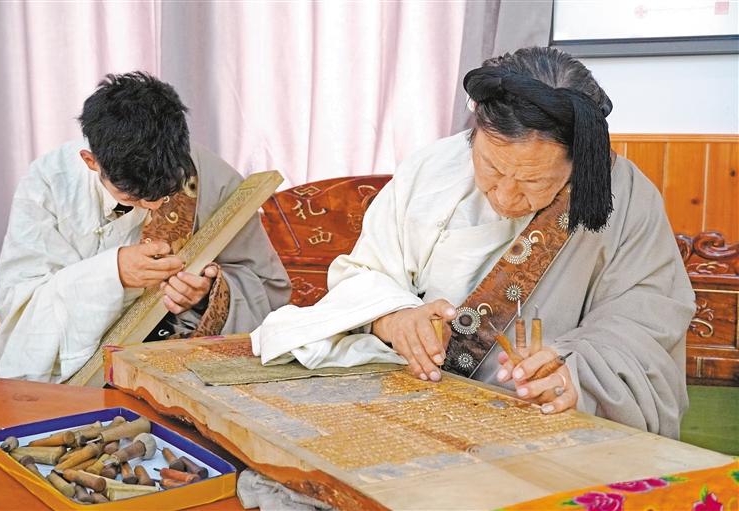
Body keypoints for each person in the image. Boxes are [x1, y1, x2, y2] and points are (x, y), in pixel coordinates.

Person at [252, 47, 693, 439]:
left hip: (541, 419)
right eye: (492, 169)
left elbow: (643, 324)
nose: (505, 196)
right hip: (410, 402)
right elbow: (363, 275)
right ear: (476, 130)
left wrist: (575, 376)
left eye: (533, 182)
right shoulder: (431, 169)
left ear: (581, 162)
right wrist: (394, 318)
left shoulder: (625, 200)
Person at [0, 72, 291, 382]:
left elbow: (269, 289)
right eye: (133, 197)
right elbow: (21, 310)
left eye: (164, 194)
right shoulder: (48, 184)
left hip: (179, 363)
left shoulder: (211, 176)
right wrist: (114, 273)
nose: (153, 206)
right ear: (91, 162)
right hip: (80, 378)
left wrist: (207, 295)